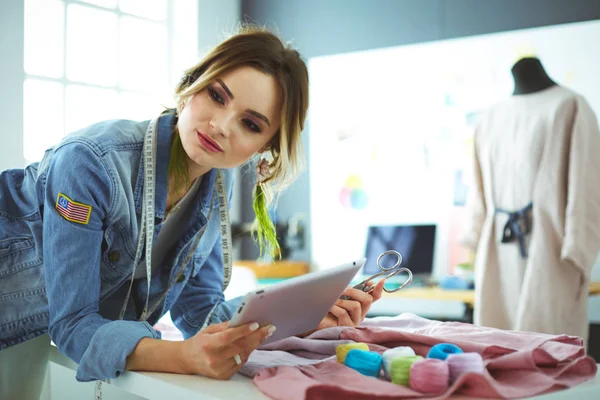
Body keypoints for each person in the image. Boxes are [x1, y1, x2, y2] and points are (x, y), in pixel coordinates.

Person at [0, 24, 386, 394]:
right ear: (191, 87)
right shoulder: (90, 164)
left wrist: (302, 318)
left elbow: (202, 317)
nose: (221, 126)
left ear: (264, 148)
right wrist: (182, 357)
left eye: (250, 123)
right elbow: (72, 325)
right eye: (217, 96)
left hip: (33, 347)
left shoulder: (218, 182)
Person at [461, 56, 600, 343]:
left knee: (547, 351)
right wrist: (475, 236)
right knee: (495, 346)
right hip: (499, 248)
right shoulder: (489, 117)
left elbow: (586, 184)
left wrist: (577, 249)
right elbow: (478, 189)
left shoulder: (569, 105)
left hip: (549, 251)